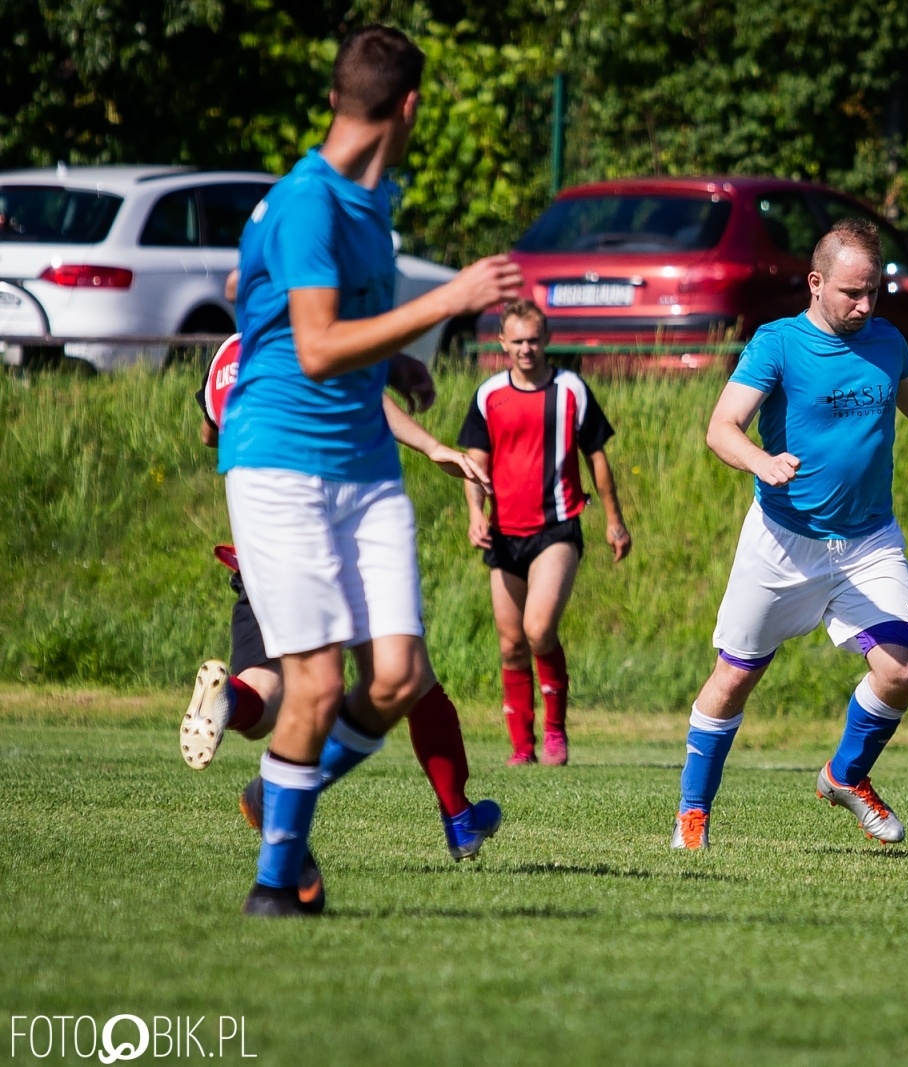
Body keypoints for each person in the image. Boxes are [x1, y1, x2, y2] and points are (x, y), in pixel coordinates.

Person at [219, 25, 524, 916]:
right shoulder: (308, 201)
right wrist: (449, 301)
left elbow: (306, 319)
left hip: (363, 460)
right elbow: (312, 347)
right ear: (411, 107)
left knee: (396, 677)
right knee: (313, 684)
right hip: (281, 463)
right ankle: (277, 885)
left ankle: (277, 798)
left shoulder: (372, 196)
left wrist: (392, 362)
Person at [670, 218, 908, 851]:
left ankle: (844, 776)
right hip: (784, 541)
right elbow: (722, 426)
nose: (864, 306)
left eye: (873, 294)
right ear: (816, 282)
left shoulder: (886, 340)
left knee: (902, 670)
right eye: (851, 293)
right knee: (733, 678)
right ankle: (693, 813)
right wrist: (760, 461)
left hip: (868, 541)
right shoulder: (777, 344)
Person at [180, 332, 504, 899]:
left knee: (271, 690)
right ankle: (455, 818)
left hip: (259, 535)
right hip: (327, 514)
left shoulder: (228, 353)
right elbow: (353, 390)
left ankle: (230, 699)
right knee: (399, 677)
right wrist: (431, 445)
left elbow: (211, 432)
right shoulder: (304, 334)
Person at [457, 300, 632, 767]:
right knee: (511, 642)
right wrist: (476, 512)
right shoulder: (488, 394)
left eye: (533, 340)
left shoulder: (571, 389)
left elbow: (597, 457)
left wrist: (614, 520)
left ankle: (555, 731)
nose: (526, 349)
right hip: (503, 533)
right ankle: (522, 746)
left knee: (538, 629)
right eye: (516, 341)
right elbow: (474, 465)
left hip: (556, 527)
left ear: (546, 339)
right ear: (502, 344)